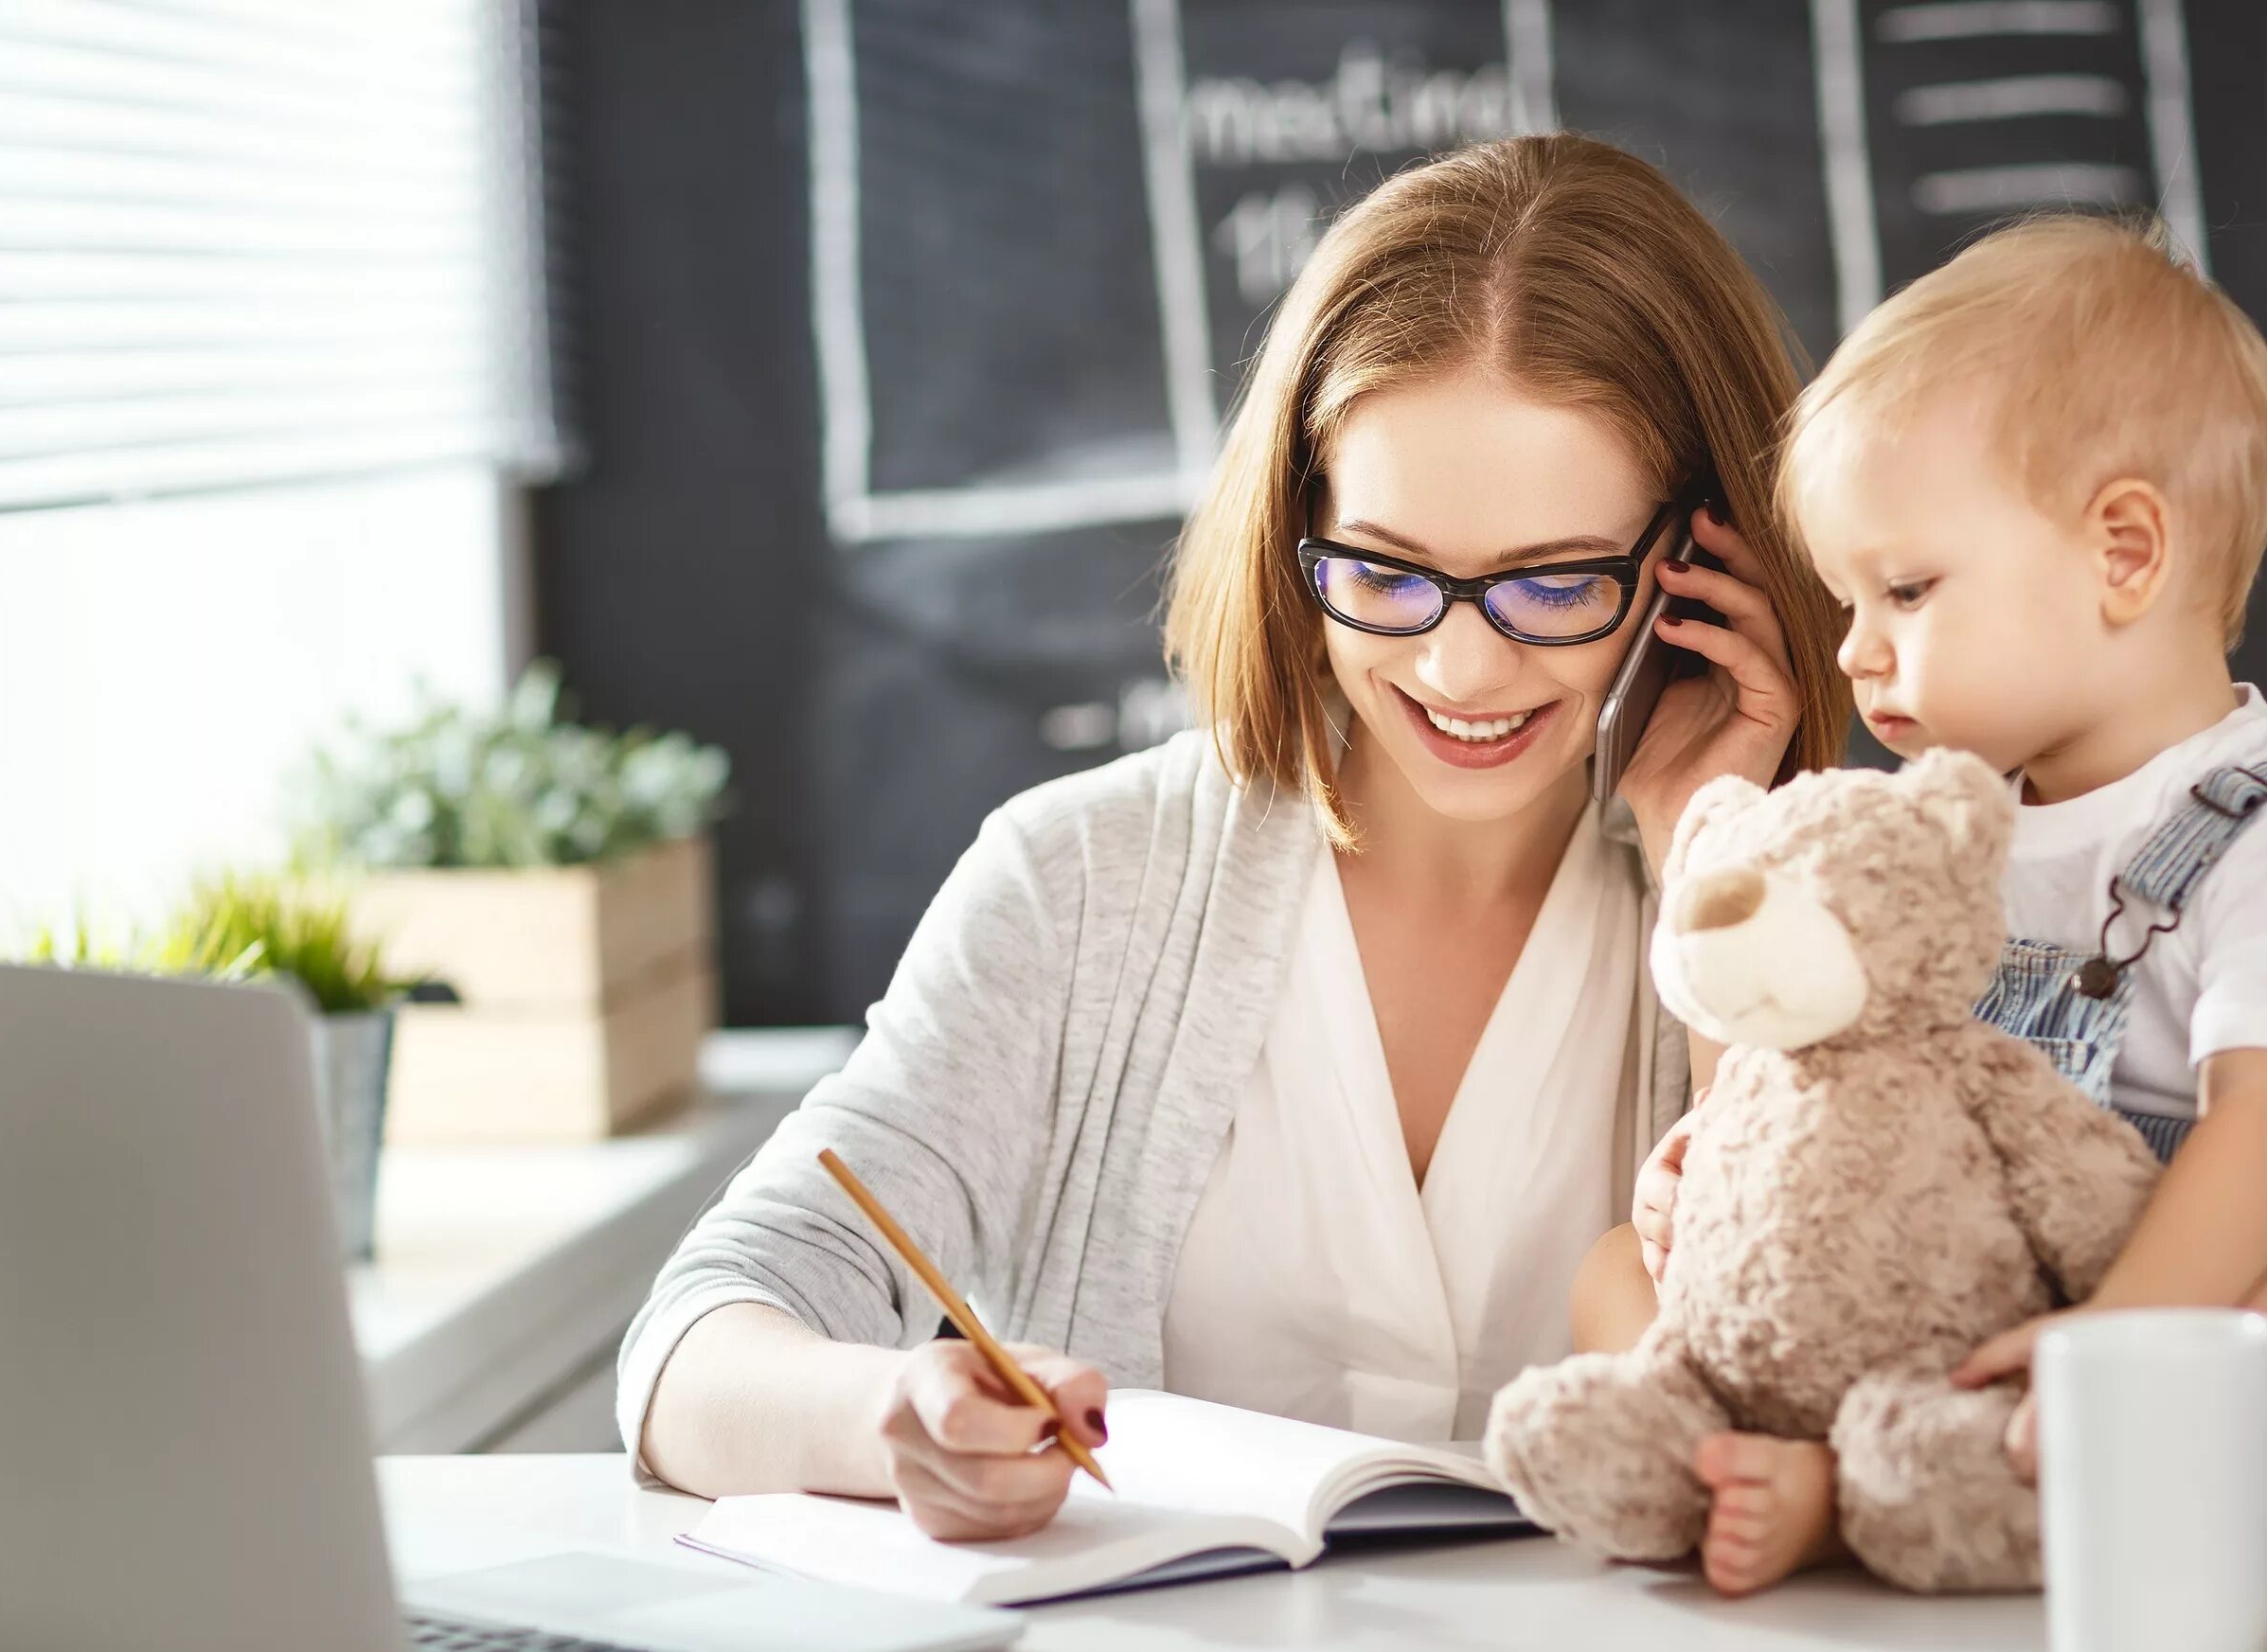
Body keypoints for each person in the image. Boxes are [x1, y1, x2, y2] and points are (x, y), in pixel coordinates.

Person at [616, 133, 1853, 1538]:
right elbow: (693, 1351)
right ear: (1297, 531)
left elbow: (1816, 1396)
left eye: (1553, 583)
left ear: (1698, 566)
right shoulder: (1082, 882)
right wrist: (890, 1416)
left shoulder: (1813, 910)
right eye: (1385, 571)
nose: (1459, 672)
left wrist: (1718, 851)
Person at [1578, 215, 2267, 1595]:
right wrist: (1727, 1164)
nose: (1854, 650)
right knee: (1609, 1266)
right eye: (1845, 600)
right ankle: (1716, 1440)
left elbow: (2264, 1127)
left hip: (2191, 1296)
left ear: (2125, 553)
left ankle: (1850, 1497)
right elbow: (1826, 1051)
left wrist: (2117, 1341)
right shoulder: (1947, 829)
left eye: (1906, 589)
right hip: (1952, 1275)